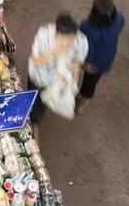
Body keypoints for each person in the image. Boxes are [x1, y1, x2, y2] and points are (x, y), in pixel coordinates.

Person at [27, 12, 88, 140]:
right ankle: (30, 122)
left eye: (70, 40)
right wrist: (54, 52)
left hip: (59, 80)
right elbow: (36, 60)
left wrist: (76, 65)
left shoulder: (81, 40)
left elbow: (79, 58)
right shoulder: (44, 35)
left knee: (43, 103)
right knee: (33, 98)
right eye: (64, 40)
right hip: (40, 76)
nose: (68, 44)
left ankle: (35, 123)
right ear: (56, 32)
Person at [77, 0, 125, 114]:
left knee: (85, 80)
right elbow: (121, 25)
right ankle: (84, 100)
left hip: (91, 61)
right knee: (91, 81)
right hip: (106, 58)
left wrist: (87, 63)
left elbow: (89, 48)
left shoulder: (87, 27)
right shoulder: (119, 18)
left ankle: (81, 101)